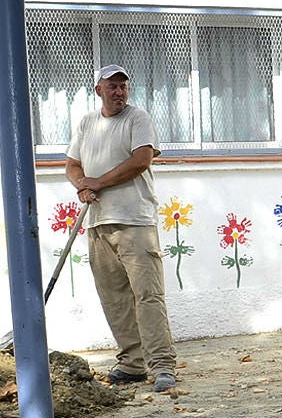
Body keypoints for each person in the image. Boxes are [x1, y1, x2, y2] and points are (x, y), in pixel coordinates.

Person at [67, 64, 178, 392]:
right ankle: (132, 364)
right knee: (114, 298)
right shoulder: (87, 123)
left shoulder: (137, 118)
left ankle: (162, 367)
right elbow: (73, 165)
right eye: (112, 86)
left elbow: (141, 160)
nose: (119, 92)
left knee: (147, 295)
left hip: (135, 221)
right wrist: (82, 186)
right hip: (98, 221)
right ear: (98, 90)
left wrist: (98, 181)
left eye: (123, 86)